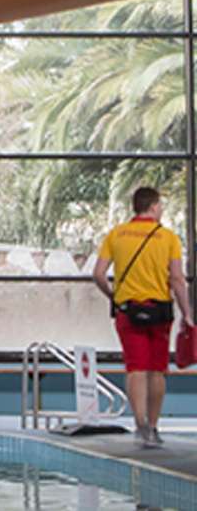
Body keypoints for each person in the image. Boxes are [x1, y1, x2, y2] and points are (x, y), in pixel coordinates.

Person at [93, 186, 193, 448]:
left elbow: (99, 274)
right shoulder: (168, 237)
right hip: (160, 310)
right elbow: (177, 280)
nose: (161, 210)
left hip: (129, 311)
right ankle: (155, 425)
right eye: (160, 206)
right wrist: (188, 314)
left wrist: (114, 297)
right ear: (153, 207)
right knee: (158, 370)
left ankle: (141, 426)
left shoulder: (117, 235)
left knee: (136, 368)